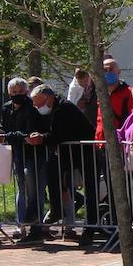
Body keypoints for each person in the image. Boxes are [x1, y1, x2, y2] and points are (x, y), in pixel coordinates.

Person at [36, 83, 103, 246]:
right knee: (52, 171)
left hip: (86, 152)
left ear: (49, 97)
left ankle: (90, 228)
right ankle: (56, 209)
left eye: (38, 102)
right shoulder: (52, 109)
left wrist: (43, 138)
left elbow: (60, 134)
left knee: (91, 190)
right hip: (68, 153)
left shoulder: (64, 108)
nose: (37, 106)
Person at [0, 78, 50, 243]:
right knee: (22, 190)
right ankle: (22, 224)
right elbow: (6, 126)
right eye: (13, 92)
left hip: (34, 155)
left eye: (20, 92)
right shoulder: (6, 108)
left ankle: (36, 227)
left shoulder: (32, 108)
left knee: (35, 191)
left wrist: (5, 136)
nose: (17, 95)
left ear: (26, 92)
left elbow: (27, 132)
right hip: (17, 154)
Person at [91, 59, 133, 137]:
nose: (108, 72)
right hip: (101, 142)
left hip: (119, 141)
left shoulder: (129, 93)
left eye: (111, 69)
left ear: (118, 72)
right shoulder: (99, 93)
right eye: (105, 70)